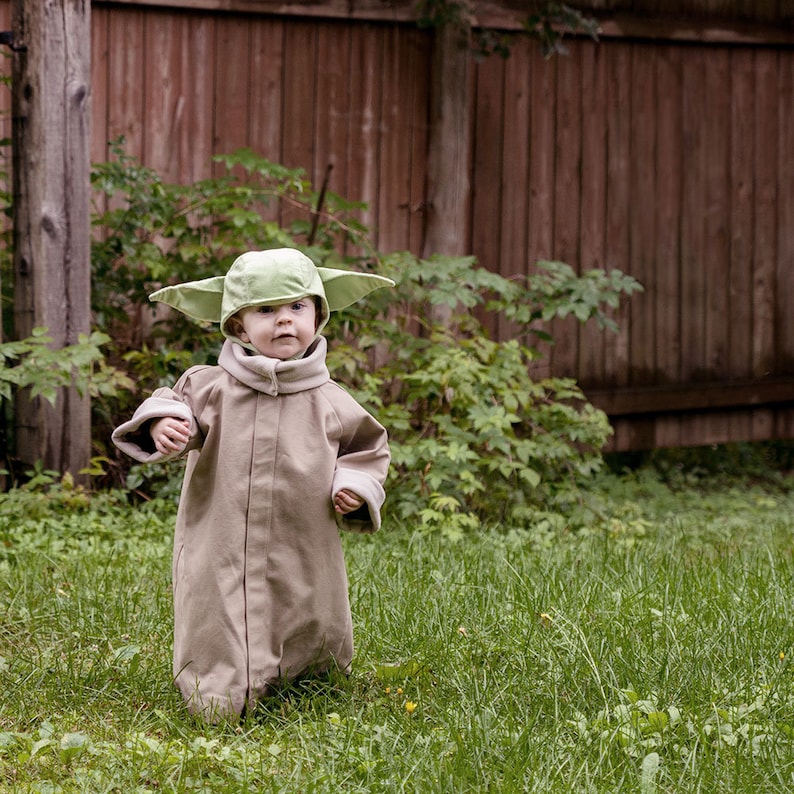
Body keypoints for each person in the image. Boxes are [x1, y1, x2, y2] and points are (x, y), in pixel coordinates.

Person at [112, 248, 393, 721]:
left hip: (302, 534)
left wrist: (354, 486)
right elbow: (173, 407)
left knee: (308, 600)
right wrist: (164, 425)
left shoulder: (330, 400)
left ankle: (312, 679)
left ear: (318, 317)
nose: (284, 320)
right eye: (265, 309)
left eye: (297, 307)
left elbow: (366, 448)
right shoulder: (210, 387)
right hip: (221, 532)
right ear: (239, 326)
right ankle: (218, 692)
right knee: (216, 605)